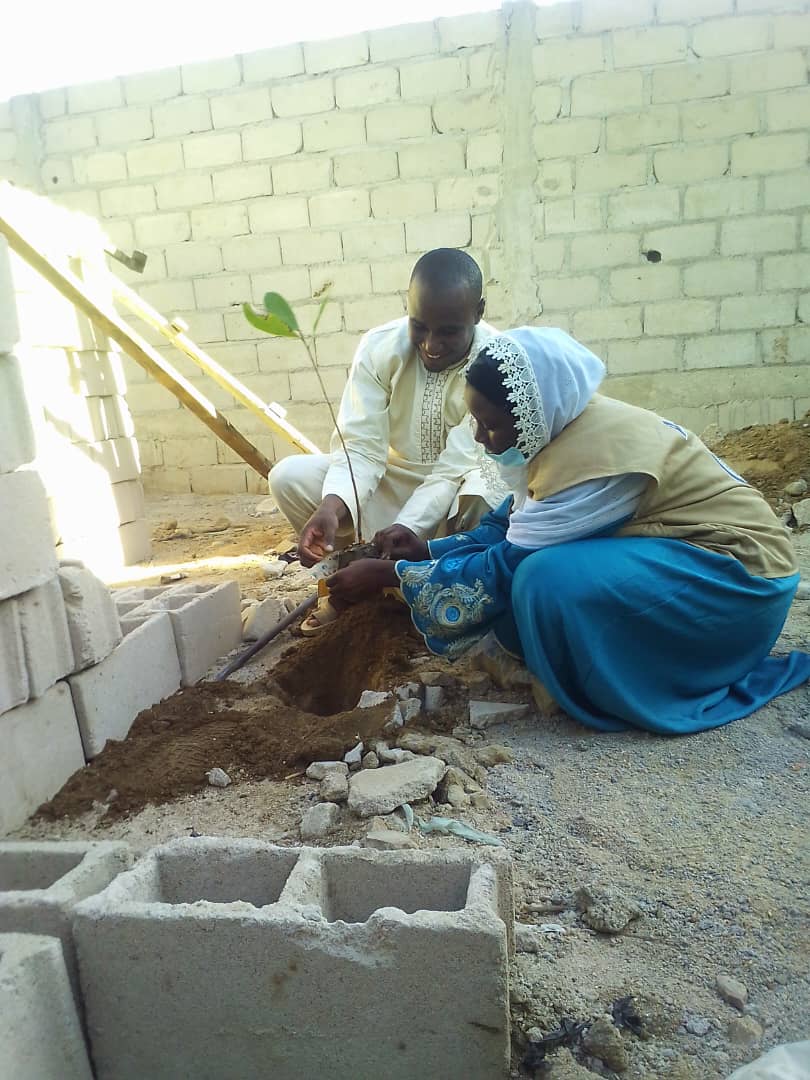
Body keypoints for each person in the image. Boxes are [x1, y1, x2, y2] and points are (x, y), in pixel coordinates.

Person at [325, 326, 810, 736]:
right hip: (687, 558)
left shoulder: (595, 460)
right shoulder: (563, 427)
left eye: (490, 427)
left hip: (738, 589)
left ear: (531, 415)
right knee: (531, 581)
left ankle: (641, 679)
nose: (479, 438)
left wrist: (390, 576)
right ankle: (578, 659)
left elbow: (506, 564)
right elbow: (511, 525)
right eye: (476, 421)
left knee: (542, 580)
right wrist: (425, 547)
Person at [270, 248, 498, 575]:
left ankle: (442, 582)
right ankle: (351, 576)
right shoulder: (379, 347)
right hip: (391, 482)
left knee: (485, 492)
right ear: (408, 307)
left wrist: (405, 528)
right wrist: (332, 508)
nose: (431, 345)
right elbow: (362, 448)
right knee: (288, 477)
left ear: (478, 313)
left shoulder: (494, 360)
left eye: (448, 332)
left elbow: (452, 470)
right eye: (419, 326)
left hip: (455, 500)